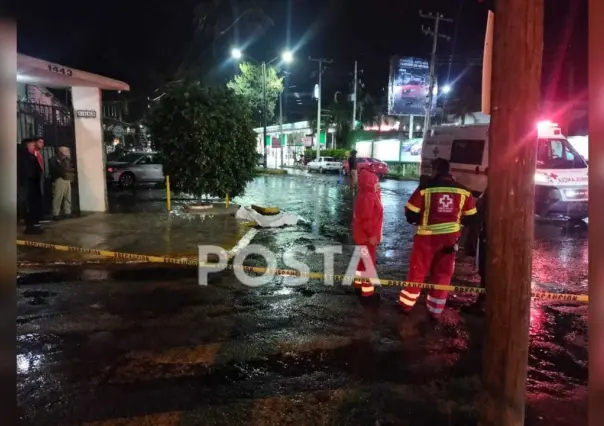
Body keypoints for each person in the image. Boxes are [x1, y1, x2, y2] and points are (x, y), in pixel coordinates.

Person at [400, 158, 477, 319]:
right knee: (443, 274)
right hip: (450, 240)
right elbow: (471, 217)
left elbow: (411, 214)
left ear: (435, 170)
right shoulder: (463, 190)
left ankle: (406, 306)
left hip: (426, 239)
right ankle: (435, 310)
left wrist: (420, 219)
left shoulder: (425, 188)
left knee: (418, 272)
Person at [352, 169, 384, 299]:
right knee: (369, 263)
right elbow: (366, 219)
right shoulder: (368, 197)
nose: (378, 184)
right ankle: (368, 292)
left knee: (362, 261)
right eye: (376, 182)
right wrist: (371, 235)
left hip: (363, 236)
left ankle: (358, 284)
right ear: (370, 183)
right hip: (367, 238)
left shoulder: (368, 195)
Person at [463, 188, 489, 314]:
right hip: (486, 237)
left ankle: (482, 304)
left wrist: (472, 240)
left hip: (487, 238)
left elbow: (478, 218)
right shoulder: (490, 190)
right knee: (485, 272)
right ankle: (482, 303)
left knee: (486, 272)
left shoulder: (493, 191)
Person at [19, 138, 45, 234]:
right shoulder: (23, 157)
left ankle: (35, 224)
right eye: (32, 145)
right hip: (27, 185)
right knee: (28, 205)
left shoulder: (31, 156)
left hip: (34, 184)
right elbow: (25, 172)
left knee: (34, 205)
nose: (34, 146)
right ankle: (30, 226)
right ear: (27, 146)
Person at [49, 146, 76, 220]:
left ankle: (67, 212)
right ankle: (55, 213)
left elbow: (71, 167)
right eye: (66, 151)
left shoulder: (67, 159)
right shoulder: (54, 159)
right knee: (58, 197)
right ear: (61, 151)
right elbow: (55, 169)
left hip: (67, 179)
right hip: (59, 179)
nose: (68, 152)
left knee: (68, 197)